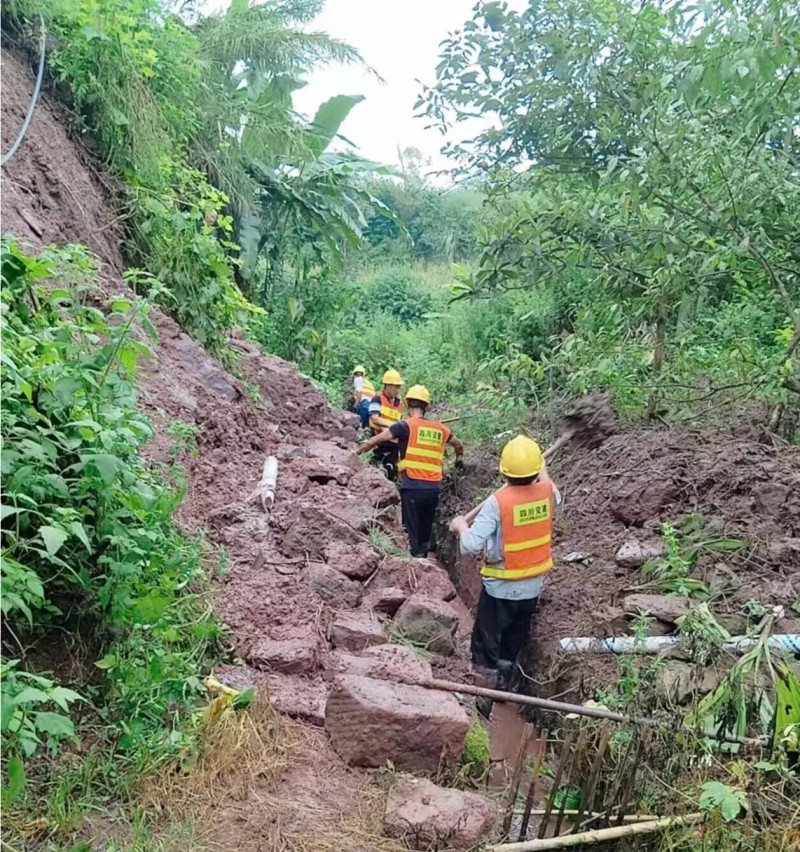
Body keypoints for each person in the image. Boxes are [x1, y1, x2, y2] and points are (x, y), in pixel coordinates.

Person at [449, 435, 558, 718]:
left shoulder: (498, 503)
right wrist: (540, 463)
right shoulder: (548, 492)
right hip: (532, 587)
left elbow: (470, 545)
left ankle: (483, 706)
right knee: (512, 639)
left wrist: (461, 526)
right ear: (537, 470)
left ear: (503, 471)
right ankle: (504, 685)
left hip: (500, 588)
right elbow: (546, 482)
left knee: (486, 645)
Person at [357, 385, 463, 557]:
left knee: (411, 527)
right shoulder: (440, 429)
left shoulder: (405, 426)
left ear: (406, 405)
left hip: (412, 485)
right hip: (433, 487)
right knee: (426, 524)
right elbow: (458, 445)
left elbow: (375, 440)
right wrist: (459, 461)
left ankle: (415, 560)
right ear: (426, 407)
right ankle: (424, 554)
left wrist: (356, 452)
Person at [367, 369, 404, 481]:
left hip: (393, 443)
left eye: (398, 387)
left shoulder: (399, 404)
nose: (397, 390)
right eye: (395, 386)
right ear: (387, 385)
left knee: (391, 469)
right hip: (378, 440)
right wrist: (393, 425)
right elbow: (375, 418)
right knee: (375, 467)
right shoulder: (377, 399)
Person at [351, 365, 375, 429]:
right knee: (365, 426)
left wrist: (356, 404)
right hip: (373, 406)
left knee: (358, 425)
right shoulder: (369, 383)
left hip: (365, 404)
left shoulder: (357, 380)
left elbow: (359, 392)